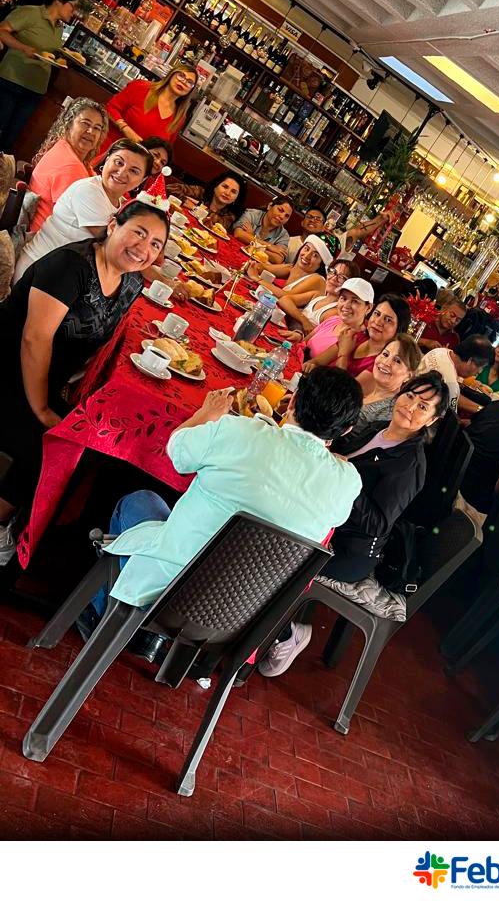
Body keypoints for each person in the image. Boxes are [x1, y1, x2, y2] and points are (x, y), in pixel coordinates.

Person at [101, 367, 363, 609]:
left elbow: (178, 451)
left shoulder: (242, 431)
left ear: (292, 401)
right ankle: (142, 633)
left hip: (169, 585)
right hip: (240, 612)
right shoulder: (347, 482)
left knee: (140, 500)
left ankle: (104, 615)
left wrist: (206, 414)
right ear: (346, 429)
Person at [0, 201, 169, 563]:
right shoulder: (71, 266)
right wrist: (42, 409)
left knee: (88, 442)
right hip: (7, 367)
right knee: (51, 444)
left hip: (41, 379)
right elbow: (34, 340)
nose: (143, 247)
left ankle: (25, 521)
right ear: (113, 225)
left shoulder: (130, 282)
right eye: (138, 232)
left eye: (155, 244)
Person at [259, 372, 449, 674]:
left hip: (350, 550)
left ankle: (284, 635)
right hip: (324, 517)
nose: (411, 407)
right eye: (410, 396)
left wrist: (348, 479)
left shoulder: (409, 465)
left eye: (423, 407)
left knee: (277, 551)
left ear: (432, 419)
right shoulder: (377, 428)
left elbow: (377, 524)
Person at [14, 138, 151, 281]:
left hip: (63, 274)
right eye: (119, 162)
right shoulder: (88, 190)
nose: (122, 172)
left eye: (133, 171)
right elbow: (114, 246)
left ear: (141, 180)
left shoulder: (120, 203)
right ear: (107, 160)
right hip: (36, 271)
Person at [0, 0, 78, 151]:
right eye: (72, 7)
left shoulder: (59, 28)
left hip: (35, 89)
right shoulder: (30, 13)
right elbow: (2, 31)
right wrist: (23, 47)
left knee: (11, 137)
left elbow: (48, 52)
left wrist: (63, 58)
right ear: (58, 1)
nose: (74, 12)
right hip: (12, 80)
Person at [27, 98, 108, 232]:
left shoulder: (64, 149)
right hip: (45, 237)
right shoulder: (70, 166)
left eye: (97, 128)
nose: (91, 131)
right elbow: (82, 223)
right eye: (85, 123)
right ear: (69, 124)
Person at [99, 66, 198, 153]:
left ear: (191, 90)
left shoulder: (179, 117)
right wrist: (126, 129)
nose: (183, 82)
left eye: (190, 82)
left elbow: (165, 148)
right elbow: (111, 108)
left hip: (133, 164)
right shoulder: (141, 87)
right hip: (107, 150)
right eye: (181, 76)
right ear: (171, 74)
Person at [302, 277, 374, 369]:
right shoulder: (333, 319)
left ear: (369, 308)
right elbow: (303, 343)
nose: (346, 305)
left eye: (355, 301)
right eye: (343, 298)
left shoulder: (358, 339)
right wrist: (298, 335)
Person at [277, 257, 359, 334]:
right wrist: (304, 320)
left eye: (341, 277)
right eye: (333, 272)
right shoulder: (317, 296)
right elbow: (284, 300)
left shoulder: (334, 312)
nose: (333, 278)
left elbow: (312, 336)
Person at [354, 334, 422, 424]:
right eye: (385, 354)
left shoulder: (390, 411)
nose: (386, 362)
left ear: (408, 376)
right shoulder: (366, 392)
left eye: (397, 361)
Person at [418, 335, 496, 413]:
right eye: (481, 367)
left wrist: (480, 409)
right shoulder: (451, 384)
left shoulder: (440, 351)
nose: (480, 371)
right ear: (470, 361)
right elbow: (449, 416)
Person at [344, 293, 411, 376]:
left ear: (399, 328)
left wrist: (344, 354)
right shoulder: (356, 336)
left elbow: (341, 384)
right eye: (377, 314)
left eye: (388, 320)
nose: (377, 321)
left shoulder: (383, 364)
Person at [245, 238, 326, 302]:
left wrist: (256, 278)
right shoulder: (293, 267)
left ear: (322, 264)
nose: (307, 256)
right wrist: (252, 266)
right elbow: (264, 268)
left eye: (315, 255)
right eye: (306, 249)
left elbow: (285, 296)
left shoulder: (318, 279)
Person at [167, 169, 246, 232]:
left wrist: (195, 207)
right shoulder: (201, 193)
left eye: (233, 192)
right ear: (216, 186)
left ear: (237, 198)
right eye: (225, 187)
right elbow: (170, 188)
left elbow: (220, 223)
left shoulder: (231, 214)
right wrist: (184, 200)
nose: (227, 193)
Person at [233, 196, 293, 264]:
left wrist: (251, 238)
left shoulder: (284, 235)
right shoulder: (251, 214)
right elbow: (238, 234)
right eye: (280, 210)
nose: (282, 216)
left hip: (255, 265)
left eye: (286, 216)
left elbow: (278, 259)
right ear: (270, 206)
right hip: (235, 253)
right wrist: (269, 246)